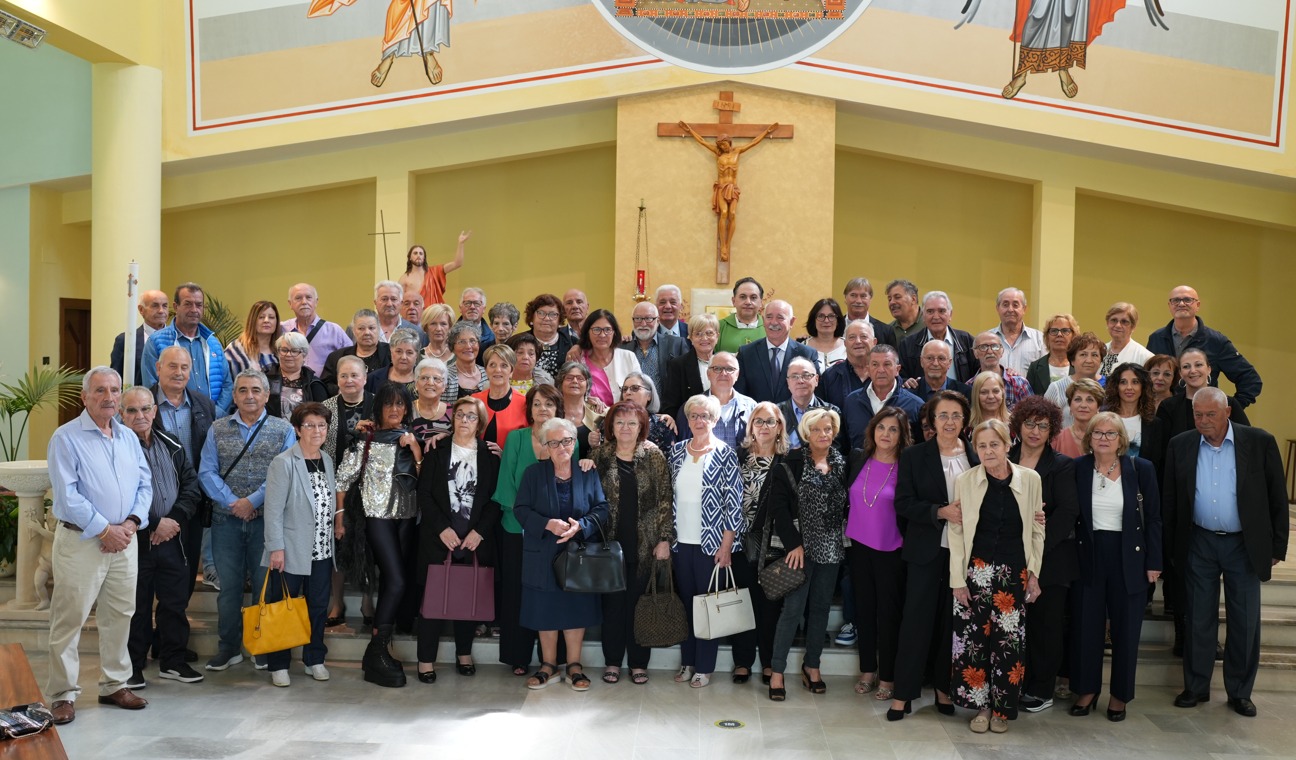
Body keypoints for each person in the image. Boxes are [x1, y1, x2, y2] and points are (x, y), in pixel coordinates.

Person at [1163, 388, 1287, 718]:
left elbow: (1277, 495)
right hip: (1199, 541)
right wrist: (1171, 547)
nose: (1204, 421)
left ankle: (1240, 692)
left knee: (1244, 620)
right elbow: (1170, 500)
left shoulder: (1259, 441)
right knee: (1197, 618)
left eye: (1211, 414)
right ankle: (1196, 687)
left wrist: (1277, 546)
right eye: (1198, 415)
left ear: (1227, 412)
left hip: (1243, 544)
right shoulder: (1181, 445)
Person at [46, 367, 152, 725]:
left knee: (120, 615)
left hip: (125, 541)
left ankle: (114, 684)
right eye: (100, 390)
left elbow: (145, 485)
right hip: (82, 541)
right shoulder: (66, 438)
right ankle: (62, 694)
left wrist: (130, 524)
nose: (109, 397)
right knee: (70, 618)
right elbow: (68, 495)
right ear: (85, 396)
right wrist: (105, 530)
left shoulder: (128, 437)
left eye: (114, 390)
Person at [948, 419, 1045, 733]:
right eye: (982, 446)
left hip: (1014, 574)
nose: (988, 451)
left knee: (1008, 644)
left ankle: (1002, 710)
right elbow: (956, 532)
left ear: (1007, 445)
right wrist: (957, 580)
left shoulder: (1031, 479)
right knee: (974, 642)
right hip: (975, 571)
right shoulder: (965, 480)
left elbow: (1037, 530)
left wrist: (1034, 574)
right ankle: (982, 707)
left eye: (994, 444)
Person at [198, 369, 296, 672]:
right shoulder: (217, 428)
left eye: (256, 390)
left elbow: (285, 474)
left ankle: (260, 646)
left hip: (267, 523)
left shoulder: (283, 429)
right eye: (242, 390)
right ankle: (228, 648)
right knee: (229, 588)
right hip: (225, 521)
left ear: (267, 395)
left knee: (265, 587)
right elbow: (206, 472)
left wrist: (252, 501)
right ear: (234, 395)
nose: (249, 396)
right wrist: (233, 503)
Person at [1068, 412, 1162, 721]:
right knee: (1087, 627)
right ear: (1089, 438)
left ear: (1121, 439)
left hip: (1130, 557)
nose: (1104, 438)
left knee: (1126, 629)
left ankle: (1120, 695)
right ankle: (1087, 690)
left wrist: (1154, 562)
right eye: (1098, 433)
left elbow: (1154, 519)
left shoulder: (1140, 468)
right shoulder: (1078, 468)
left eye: (1111, 433)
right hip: (1089, 555)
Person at [889, 390, 974, 721]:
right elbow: (903, 503)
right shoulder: (915, 455)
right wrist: (940, 512)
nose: (949, 421)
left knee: (951, 623)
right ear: (932, 421)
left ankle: (944, 689)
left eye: (956, 415)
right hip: (926, 549)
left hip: (964, 554)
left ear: (965, 420)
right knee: (916, 622)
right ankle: (903, 694)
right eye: (943, 415)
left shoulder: (976, 454)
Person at [335, 382, 423, 688]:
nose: (395, 410)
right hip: (377, 518)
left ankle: (379, 649)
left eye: (400, 404)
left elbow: (425, 479)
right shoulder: (366, 439)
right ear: (379, 408)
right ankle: (375, 651)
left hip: (407, 518)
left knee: (391, 581)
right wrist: (340, 517)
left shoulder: (410, 437)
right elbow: (342, 480)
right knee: (397, 581)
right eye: (389, 404)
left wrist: (416, 449)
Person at [514, 417, 610, 692]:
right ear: (545, 446)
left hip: (578, 553)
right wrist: (547, 523)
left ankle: (574, 665)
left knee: (576, 607)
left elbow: (602, 508)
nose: (561, 447)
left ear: (574, 442)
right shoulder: (533, 474)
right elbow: (521, 510)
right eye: (554, 443)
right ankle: (548, 665)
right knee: (544, 608)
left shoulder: (587, 472)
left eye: (566, 441)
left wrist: (582, 525)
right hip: (543, 552)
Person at [121, 387, 203, 690]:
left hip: (173, 538)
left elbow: (191, 485)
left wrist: (173, 521)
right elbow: (117, 495)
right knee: (137, 606)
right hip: (135, 540)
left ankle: (172, 661)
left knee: (174, 603)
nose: (140, 416)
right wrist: (154, 523)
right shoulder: (117, 447)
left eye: (145, 409)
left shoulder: (172, 443)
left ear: (155, 411)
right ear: (121, 414)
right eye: (131, 410)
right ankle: (133, 666)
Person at [415, 396, 500, 683]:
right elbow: (424, 493)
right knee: (432, 602)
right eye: (460, 415)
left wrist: (479, 532)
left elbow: (495, 500)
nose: (464, 420)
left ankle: (464, 653)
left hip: (473, 541)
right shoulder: (437, 450)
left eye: (471, 416)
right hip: (439, 538)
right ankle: (426, 659)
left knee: (467, 599)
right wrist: (442, 528)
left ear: (480, 423)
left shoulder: (490, 455)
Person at [591, 400, 676, 684]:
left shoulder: (653, 455)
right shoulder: (600, 456)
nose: (625, 428)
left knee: (640, 606)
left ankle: (639, 663)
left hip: (646, 544)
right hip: (609, 545)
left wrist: (664, 539)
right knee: (613, 607)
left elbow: (665, 499)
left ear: (641, 427)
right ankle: (613, 661)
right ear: (611, 427)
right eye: (619, 422)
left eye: (632, 423)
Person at [767, 409, 848, 700]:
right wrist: (793, 544)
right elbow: (778, 509)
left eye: (827, 429)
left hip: (832, 547)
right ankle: (777, 671)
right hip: (799, 549)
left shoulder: (842, 463)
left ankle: (812, 665)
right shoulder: (790, 462)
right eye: (816, 429)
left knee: (821, 609)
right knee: (792, 610)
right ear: (806, 433)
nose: (823, 434)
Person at [1009, 396, 1079, 713]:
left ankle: (1041, 689)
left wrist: (1035, 550)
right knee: (1012, 626)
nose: (1035, 431)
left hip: (1051, 558)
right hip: (1009, 555)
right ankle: (1013, 683)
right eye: (1029, 423)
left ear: (1052, 430)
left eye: (1043, 425)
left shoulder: (1062, 465)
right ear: (1019, 425)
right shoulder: (1004, 458)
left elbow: (1066, 513)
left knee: (1045, 627)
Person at [260, 402, 338, 687]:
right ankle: (278, 664)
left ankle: (314, 658)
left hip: (322, 550)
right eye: (310, 425)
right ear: (297, 429)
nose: (317, 431)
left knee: (318, 606)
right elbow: (273, 510)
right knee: (282, 607)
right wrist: (275, 548)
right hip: (289, 549)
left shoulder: (326, 460)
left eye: (322, 425)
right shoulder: (283, 462)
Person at [667, 395, 743, 689]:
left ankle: (704, 666)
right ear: (687, 420)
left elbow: (733, 503)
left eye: (705, 416)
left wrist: (726, 545)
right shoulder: (676, 451)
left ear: (715, 420)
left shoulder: (725, 453)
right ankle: (688, 661)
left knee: (708, 607)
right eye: (694, 416)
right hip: (680, 542)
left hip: (711, 545)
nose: (699, 421)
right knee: (687, 605)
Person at [493, 384, 565, 676]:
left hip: (554, 532)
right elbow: (507, 485)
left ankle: (553, 657)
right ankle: (517, 655)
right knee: (516, 593)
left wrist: (547, 524)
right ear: (529, 410)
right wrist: (532, 521)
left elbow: (568, 486)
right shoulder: (516, 438)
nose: (543, 409)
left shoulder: (566, 440)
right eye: (537, 404)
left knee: (552, 593)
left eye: (549, 404)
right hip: (516, 528)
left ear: (557, 409)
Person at [846, 408, 911, 699]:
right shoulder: (859, 458)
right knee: (864, 610)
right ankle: (867, 670)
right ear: (872, 430)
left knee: (888, 614)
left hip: (892, 550)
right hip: (858, 547)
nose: (886, 434)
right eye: (881, 427)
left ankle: (887, 677)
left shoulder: (907, 466)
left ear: (902, 435)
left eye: (893, 429)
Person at [151, 345, 217, 597]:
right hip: (154, 501)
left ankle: (178, 613)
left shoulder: (203, 404)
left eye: (184, 367)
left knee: (187, 564)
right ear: (158, 368)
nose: (179, 372)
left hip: (192, 499)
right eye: (172, 366)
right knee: (151, 568)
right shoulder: (143, 403)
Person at [735, 402, 793, 686]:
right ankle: (742, 661)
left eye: (770, 421)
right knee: (743, 603)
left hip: (775, 543)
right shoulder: (738, 456)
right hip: (740, 541)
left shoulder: (789, 460)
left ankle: (769, 661)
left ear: (780, 426)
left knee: (771, 605)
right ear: (751, 426)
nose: (764, 427)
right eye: (758, 421)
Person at [321, 355, 375, 628]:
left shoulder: (378, 404)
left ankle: (367, 600)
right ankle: (337, 602)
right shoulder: (326, 408)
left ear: (365, 377)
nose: (349, 380)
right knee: (338, 544)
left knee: (369, 546)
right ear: (337, 379)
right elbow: (321, 448)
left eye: (355, 375)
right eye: (344, 375)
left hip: (373, 488)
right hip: (336, 486)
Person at [675, 119, 780, 261]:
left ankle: (727, 244)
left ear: (729, 142)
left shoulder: (738, 151)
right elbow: (702, 141)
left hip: (733, 187)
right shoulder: (718, 153)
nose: (722, 147)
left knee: (733, 213)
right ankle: (723, 246)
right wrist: (689, 130)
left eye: (724, 144)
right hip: (721, 187)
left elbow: (754, 142)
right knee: (724, 213)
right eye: (720, 145)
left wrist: (767, 132)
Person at [1146, 285, 1262, 408]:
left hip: (1202, 414)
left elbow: (1250, 379)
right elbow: (1146, 377)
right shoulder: (1156, 338)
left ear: (1198, 305)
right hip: (1164, 413)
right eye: (1176, 300)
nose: (1181, 304)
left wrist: (1229, 409)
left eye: (1187, 300)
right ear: (1169, 305)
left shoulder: (1216, 341)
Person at [141, 283, 232, 414]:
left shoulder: (213, 343)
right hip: (173, 418)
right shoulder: (157, 342)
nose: (194, 310)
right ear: (176, 307)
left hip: (213, 419)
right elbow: (151, 385)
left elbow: (227, 384)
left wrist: (215, 413)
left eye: (199, 305)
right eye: (188, 304)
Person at [1155, 348, 1250, 440]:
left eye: (1198, 365)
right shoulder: (1168, 407)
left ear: (1209, 369)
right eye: (1186, 366)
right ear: (1180, 373)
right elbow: (1160, 446)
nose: (1193, 370)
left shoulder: (1229, 403)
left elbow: (1247, 440)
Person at [736, 300, 817, 404]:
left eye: (780, 317)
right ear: (763, 320)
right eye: (769, 317)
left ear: (791, 322)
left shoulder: (807, 354)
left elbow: (813, 393)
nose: (774, 322)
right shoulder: (746, 353)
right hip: (757, 413)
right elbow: (739, 395)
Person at [843, 344, 923, 449]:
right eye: (875, 365)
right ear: (868, 370)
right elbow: (845, 446)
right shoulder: (852, 402)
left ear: (897, 369)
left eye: (887, 364)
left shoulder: (915, 405)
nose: (881, 370)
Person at [898, 291, 978, 384]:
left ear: (950, 315)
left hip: (960, 393)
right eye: (930, 311)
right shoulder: (908, 345)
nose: (936, 317)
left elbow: (978, 373)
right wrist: (906, 382)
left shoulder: (966, 341)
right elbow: (899, 377)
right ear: (923, 315)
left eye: (941, 311)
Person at [683, 352, 755, 449]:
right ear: (708, 374)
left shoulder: (751, 407)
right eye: (717, 369)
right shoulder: (691, 407)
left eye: (729, 369)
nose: (723, 373)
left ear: (737, 375)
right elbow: (684, 446)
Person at [1103, 362, 1166, 471]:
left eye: (1135, 382)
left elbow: (1156, 464)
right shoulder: (1104, 419)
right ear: (1116, 386)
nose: (1129, 387)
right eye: (1123, 382)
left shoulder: (1154, 423)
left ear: (1143, 386)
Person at [282, 283, 353, 376]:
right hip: (290, 384)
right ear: (290, 304)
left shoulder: (334, 331)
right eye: (298, 298)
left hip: (323, 384)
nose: (304, 302)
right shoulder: (282, 329)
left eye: (308, 297)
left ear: (316, 302)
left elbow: (352, 360)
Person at [577, 308, 641, 407]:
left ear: (614, 332)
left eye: (607, 330)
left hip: (624, 415)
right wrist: (585, 400)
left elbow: (639, 392)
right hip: (589, 415)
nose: (602, 335)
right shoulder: (578, 360)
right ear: (587, 332)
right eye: (596, 330)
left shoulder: (628, 357)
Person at [776, 357, 842, 451]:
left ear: (816, 379)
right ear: (788, 382)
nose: (800, 381)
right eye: (794, 376)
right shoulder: (776, 413)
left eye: (806, 375)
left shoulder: (832, 412)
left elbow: (837, 449)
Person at [661, 313, 719, 418]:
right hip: (689, 423)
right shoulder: (678, 365)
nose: (704, 338)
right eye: (698, 334)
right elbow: (670, 406)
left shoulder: (726, 363)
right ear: (691, 338)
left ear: (717, 336)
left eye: (709, 333)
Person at [321, 309, 391, 396]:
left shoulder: (391, 353)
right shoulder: (337, 357)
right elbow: (325, 384)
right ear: (353, 331)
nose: (367, 332)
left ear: (379, 329)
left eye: (371, 328)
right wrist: (342, 390)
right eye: (361, 328)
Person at [471, 344, 528, 450]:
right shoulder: (474, 400)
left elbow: (528, 445)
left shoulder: (524, 403)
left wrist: (505, 456)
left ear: (511, 371)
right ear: (486, 370)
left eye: (504, 365)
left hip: (510, 460)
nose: (497, 370)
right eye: (492, 365)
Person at [1044, 332, 1106, 428]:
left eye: (1094, 355)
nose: (1089, 360)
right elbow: (1045, 423)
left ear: (1101, 360)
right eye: (1083, 354)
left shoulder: (1110, 386)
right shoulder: (1057, 388)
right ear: (1072, 360)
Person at [623, 301, 687, 390]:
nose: (643, 324)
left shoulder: (676, 344)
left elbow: (686, 378)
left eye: (648, 318)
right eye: (638, 318)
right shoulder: (623, 347)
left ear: (658, 321)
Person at [111, 289, 169, 386]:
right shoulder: (125, 340)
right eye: (155, 306)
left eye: (165, 306)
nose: (161, 311)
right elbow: (116, 379)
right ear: (141, 309)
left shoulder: (178, 338)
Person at [266, 332, 328, 420]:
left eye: (294, 351)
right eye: (284, 350)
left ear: (304, 355)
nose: (288, 354)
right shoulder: (266, 379)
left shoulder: (314, 384)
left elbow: (322, 417)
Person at [817, 319, 875, 411]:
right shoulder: (830, 376)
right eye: (852, 337)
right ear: (845, 343)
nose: (858, 341)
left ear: (874, 342)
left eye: (863, 336)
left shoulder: (885, 373)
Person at [398, 232, 468, 308]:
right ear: (410, 258)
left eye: (421, 253)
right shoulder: (404, 278)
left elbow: (457, 263)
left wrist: (461, 244)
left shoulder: (434, 272)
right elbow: (399, 301)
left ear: (424, 258)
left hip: (434, 312)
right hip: (415, 313)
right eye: (415, 253)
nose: (418, 255)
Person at [989, 287, 1045, 376]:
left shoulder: (1040, 340)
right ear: (997, 308)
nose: (1010, 309)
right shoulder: (986, 339)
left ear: (1024, 309)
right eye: (1005, 305)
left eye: (1015, 305)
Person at [972, 331, 1032, 411]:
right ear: (975, 353)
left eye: (995, 346)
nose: (990, 351)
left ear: (1002, 351)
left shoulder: (1020, 384)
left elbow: (1033, 414)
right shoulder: (970, 386)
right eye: (983, 347)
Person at [521, 293, 576, 379]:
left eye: (553, 314)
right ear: (532, 318)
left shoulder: (573, 343)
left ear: (559, 320)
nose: (547, 318)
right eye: (541, 313)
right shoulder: (518, 342)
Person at [619, 371, 677, 450]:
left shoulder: (662, 425)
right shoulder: (612, 421)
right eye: (624, 389)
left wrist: (655, 451)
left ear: (649, 395)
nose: (627, 392)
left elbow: (671, 456)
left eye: (635, 388)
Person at [1025, 314, 1080, 396]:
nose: (1059, 334)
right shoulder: (1035, 368)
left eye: (1065, 331)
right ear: (1047, 337)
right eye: (1054, 331)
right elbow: (1028, 399)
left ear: (1073, 336)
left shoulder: (1080, 366)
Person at [557, 361, 603, 456]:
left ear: (587, 385)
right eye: (569, 378)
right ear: (560, 384)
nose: (575, 381)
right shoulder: (552, 412)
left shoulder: (599, 413)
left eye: (580, 378)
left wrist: (598, 444)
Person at [1051, 378, 1104, 458]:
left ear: (1098, 407)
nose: (1083, 405)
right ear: (1070, 405)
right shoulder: (1057, 439)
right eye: (1078, 399)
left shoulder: (1106, 438)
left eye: (1090, 400)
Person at [1101, 302, 1154, 379]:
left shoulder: (1145, 357)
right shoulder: (1099, 350)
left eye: (1124, 321)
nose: (1118, 325)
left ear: (1133, 326)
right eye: (1114, 320)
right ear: (1107, 323)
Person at [841, 277, 898, 348]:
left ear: (870, 299)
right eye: (853, 295)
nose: (858, 301)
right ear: (845, 298)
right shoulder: (835, 327)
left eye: (863, 296)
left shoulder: (886, 332)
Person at [409, 357, 452, 446]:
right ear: (416, 383)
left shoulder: (454, 413)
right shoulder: (405, 410)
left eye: (436, 378)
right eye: (424, 378)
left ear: (444, 386)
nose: (430, 383)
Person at [233, 300, 283, 378]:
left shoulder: (282, 351)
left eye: (271, 317)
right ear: (252, 321)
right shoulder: (236, 349)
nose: (266, 320)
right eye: (261, 317)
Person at [366, 328, 422, 396]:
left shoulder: (424, 379)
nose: (403, 357)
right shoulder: (372, 379)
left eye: (409, 352)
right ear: (391, 351)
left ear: (416, 355)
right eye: (399, 351)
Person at [718, 276, 766, 353]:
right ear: (733, 301)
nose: (748, 302)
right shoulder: (719, 327)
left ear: (761, 303)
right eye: (743, 297)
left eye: (753, 297)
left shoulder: (769, 327)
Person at [441, 322, 487, 402]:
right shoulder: (444, 376)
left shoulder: (488, 374)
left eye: (472, 341)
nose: (468, 346)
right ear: (452, 347)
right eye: (462, 342)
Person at [802, 297, 846, 367]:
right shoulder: (802, 348)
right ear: (814, 320)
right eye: (821, 316)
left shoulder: (848, 346)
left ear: (838, 321)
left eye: (831, 316)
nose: (826, 321)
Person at [458, 287, 497, 352]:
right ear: (460, 308)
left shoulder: (493, 337)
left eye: (477, 303)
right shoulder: (449, 335)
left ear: (484, 309)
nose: (472, 307)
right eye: (467, 303)